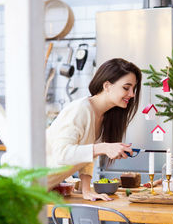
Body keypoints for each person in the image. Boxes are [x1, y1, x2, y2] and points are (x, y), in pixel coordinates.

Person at [46, 58, 142, 201]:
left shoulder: (103, 116)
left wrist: (86, 190)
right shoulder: (80, 110)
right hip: (18, 185)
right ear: (107, 86)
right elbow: (62, 154)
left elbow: (87, 157)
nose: (132, 94)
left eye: (133, 89)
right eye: (126, 88)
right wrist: (103, 147)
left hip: (41, 188)